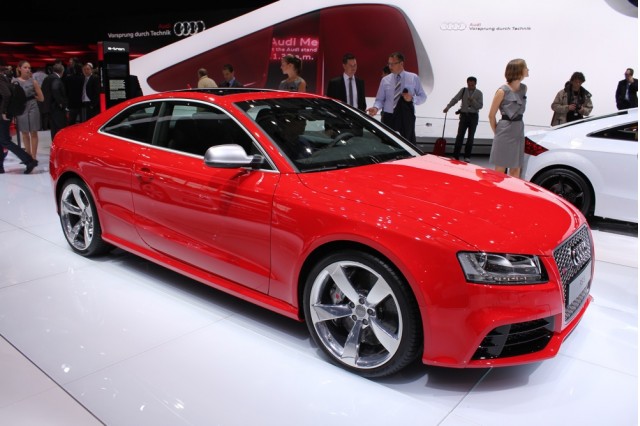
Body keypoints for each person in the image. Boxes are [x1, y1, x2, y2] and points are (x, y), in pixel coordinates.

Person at [367, 52, 427, 143]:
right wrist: (375, 108)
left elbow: (423, 97)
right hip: (388, 117)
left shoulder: (413, 78)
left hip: (406, 118)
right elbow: (380, 100)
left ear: (401, 63)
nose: (390, 66)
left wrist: (412, 99)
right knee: (388, 145)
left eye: (392, 64)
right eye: (389, 64)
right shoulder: (385, 80)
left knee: (406, 145)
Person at [488, 58, 529, 178]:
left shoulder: (524, 88)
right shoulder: (502, 91)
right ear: (518, 70)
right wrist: (497, 133)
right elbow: (491, 115)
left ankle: (512, 190)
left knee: (516, 168)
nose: (528, 69)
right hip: (505, 130)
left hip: (518, 129)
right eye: (525, 67)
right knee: (500, 169)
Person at [0, 65, 38, 174]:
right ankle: (0, 167)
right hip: (5, 113)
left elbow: (7, 94)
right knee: (2, 140)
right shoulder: (4, 78)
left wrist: (3, 111)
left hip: (3, 114)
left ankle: (29, 161)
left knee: (4, 140)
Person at [443, 76, 483, 161]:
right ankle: (455, 155)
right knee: (460, 136)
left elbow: (480, 106)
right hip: (464, 115)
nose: (470, 86)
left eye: (472, 85)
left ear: (475, 84)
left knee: (470, 137)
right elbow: (455, 99)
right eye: (469, 84)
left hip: (473, 116)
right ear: (467, 83)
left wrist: (473, 101)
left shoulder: (479, 93)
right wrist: (448, 107)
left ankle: (467, 156)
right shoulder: (463, 90)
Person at [13, 60, 44, 159]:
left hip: (32, 107)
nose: (28, 69)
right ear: (19, 68)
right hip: (20, 108)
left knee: (33, 132)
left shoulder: (33, 81)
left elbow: (41, 98)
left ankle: (33, 157)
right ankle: (28, 156)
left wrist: (34, 97)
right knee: (24, 133)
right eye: (25, 67)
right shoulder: (14, 82)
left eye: (29, 68)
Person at [41, 62, 68, 141]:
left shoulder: (47, 78)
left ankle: (54, 143)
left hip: (49, 107)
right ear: (62, 71)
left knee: (53, 128)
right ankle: (60, 144)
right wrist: (61, 103)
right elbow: (55, 89)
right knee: (60, 127)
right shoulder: (56, 79)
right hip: (56, 108)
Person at [64, 60, 84, 125]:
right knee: (83, 120)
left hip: (71, 102)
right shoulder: (83, 78)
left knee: (71, 121)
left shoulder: (68, 79)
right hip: (81, 102)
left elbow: (66, 91)